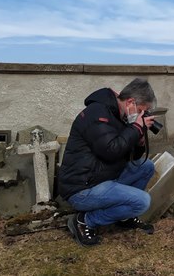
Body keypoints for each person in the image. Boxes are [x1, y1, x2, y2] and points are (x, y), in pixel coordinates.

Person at [58, 78, 158, 246]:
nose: (141, 115)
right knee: (142, 201)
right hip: (82, 187)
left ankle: (124, 217)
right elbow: (111, 151)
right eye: (141, 110)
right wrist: (136, 129)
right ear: (131, 102)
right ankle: (85, 220)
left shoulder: (119, 115)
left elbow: (129, 156)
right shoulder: (97, 113)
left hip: (102, 177)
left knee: (146, 166)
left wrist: (139, 139)